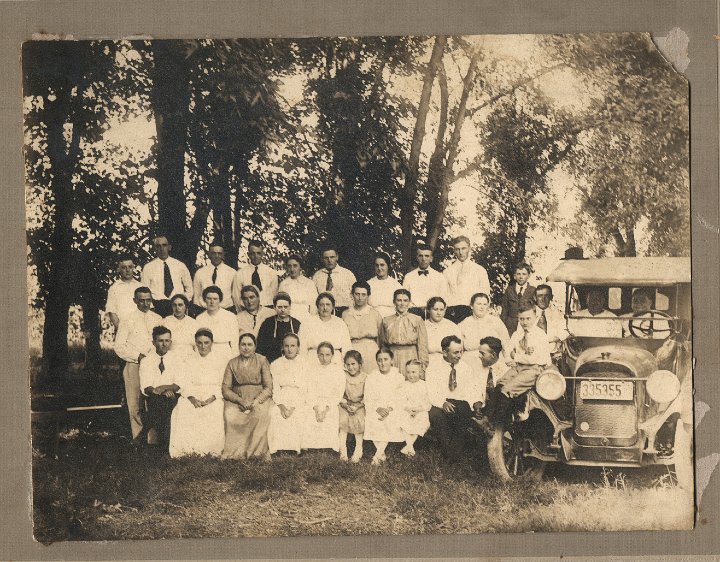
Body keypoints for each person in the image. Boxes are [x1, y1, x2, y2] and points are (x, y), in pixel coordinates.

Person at [113, 286, 162, 441]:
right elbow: (119, 347)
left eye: (148, 300)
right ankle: (138, 438)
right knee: (135, 403)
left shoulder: (158, 319)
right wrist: (137, 356)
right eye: (141, 300)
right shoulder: (127, 320)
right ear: (135, 301)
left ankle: (153, 440)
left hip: (154, 365)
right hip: (134, 365)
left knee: (153, 400)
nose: (145, 304)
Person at [169, 329, 226, 458]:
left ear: (212, 343)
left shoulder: (220, 360)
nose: (203, 346)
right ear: (195, 343)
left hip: (213, 394)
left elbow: (223, 383)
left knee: (215, 409)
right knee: (183, 408)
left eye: (206, 342)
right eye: (199, 343)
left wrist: (211, 398)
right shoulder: (188, 360)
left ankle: (211, 450)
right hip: (192, 393)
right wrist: (191, 397)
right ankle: (187, 450)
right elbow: (184, 382)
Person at [426, 335, 483, 462]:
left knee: (462, 412)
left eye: (461, 351)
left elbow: (473, 389)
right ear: (445, 352)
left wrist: (477, 403)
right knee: (436, 416)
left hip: (459, 403)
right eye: (455, 352)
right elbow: (431, 390)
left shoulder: (466, 368)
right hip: (440, 402)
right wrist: (443, 403)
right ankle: (449, 454)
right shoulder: (433, 368)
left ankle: (453, 454)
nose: (459, 355)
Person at [221, 333, 274, 460]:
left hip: (259, 398)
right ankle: (235, 454)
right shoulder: (232, 363)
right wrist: (239, 400)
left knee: (261, 414)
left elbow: (268, 387)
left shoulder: (262, 360)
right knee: (230, 414)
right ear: (238, 346)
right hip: (237, 399)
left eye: (250, 344)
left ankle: (256, 454)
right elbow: (225, 389)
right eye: (243, 344)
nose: (246, 348)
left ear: (255, 346)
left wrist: (256, 401)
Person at [496, 303, 551, 399]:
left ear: (535, 317)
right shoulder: (517, 334)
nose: (524, 322)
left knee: (506, 389)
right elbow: (508, 350)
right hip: (519, 367)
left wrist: (515, 356)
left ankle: (504, 413)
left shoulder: (540, 335)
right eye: (521, 319)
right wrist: (510, 357)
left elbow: (532, 360)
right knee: (499, 384)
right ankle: (492, 413)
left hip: (534, 369)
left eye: (528, 318)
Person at [139, 326, 181, 450]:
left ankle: (145, 434)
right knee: (160, 403)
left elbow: (179, 382)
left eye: (167, 341)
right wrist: (157, 391)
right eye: (160, 341)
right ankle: (164, 445)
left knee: (164, 404)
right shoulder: (147, 360)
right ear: (153, 342)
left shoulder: (177, 359)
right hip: (155, 396)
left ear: (171, 342)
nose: (164, 344)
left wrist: (166, 388)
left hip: (173, 394)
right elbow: (146, 386)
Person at [267, 333, 308, 456]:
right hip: (282, 396)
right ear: (282, 348)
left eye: (293, 346)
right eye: (287, 346)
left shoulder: (305, 363)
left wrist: (294, 406)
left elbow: (305, 387)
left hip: (299, 396)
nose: (290, 349)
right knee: (275, 413)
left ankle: (295, 449)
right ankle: (278, 449)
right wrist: (281, 405)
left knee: (298, 414)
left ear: (298, 348)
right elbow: (275, 387)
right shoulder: (275, 364)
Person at [363, 347, 405, 465]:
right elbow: (368, 397)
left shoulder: (398, 377)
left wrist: (389, 409)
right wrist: (378, 408)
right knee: (373, 418)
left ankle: (378, 453)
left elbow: (399, 397)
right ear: (376, 362)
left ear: (392, 360)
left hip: (392, 408)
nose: (383, 363)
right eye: (379, 360)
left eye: (386, 359)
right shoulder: (371, 377)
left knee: (391, 418)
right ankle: (381, 453)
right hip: (376, 408)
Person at [302, 342, 346, 453]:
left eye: (327, 355)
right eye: (321, 355)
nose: (324, 358)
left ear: (332, 355)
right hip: (314, 402)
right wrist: (316, 408)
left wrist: (326, 409)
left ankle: (329, 448)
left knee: (331, 416)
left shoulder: (338, 371)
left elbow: (338, 393)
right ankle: (311, 447)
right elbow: (309, 390)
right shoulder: (311, 370)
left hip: (330, 403)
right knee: (309, 414)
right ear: (317, 355)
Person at [378, 288, 429, 376]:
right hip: (393, 356)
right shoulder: (386, 320)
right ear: (394, 302)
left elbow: (422, 346)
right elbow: (382, 344)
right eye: (399, 300)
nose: (402, 303)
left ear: (409, 302)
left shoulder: (417, 320)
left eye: (405, 300)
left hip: (411, 355)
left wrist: (422, 366)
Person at [141, 235, 193, 318]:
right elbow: (144, 290)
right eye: (158, 246)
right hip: (157, 306)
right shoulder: (148, 267)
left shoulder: (180, 265)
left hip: (176, 305)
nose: (162, 249)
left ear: (169, 247)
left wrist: (183, 303)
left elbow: (189, 288)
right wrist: (151, 307)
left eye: (164, 245)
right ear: (155, 248)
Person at [459, 293, 510, 375]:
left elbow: (506, 342)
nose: (482, 307)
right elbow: (460, 347)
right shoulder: (464, 324)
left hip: (494, 359)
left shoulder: (495, 321)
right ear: (471, 306)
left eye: (485, 304)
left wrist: (507, 358)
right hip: (471, 359)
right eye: (478, 304)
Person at [443, 236, 491, 324]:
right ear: (454, 250)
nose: (460, 252)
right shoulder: (447, 272)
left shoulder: (479, 270)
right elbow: (444, 294)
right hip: (452, 313)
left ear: (469, 248)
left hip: (472, 313)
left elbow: (485, 294)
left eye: (463, 248)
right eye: (457, 249)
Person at [299, 292, 352, 364]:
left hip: (335, 361)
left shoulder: (340, 323)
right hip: (313, 361)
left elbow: (347, 347)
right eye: (322, 305)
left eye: (328, 304)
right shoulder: (308, 323)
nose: (325, 308)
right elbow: (302, 347)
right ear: (317, 306)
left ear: (333, 307)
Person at [342, 281, 382, 374]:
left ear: (368, 296)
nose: (360, 298)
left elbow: (381, 338)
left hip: (371, 352)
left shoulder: (375, 314)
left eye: (363, 294)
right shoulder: (346, 314)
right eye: (357, 294)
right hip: (352, 350)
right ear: (352, 295)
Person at [402, 243, 448, 318]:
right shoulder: (409, 277)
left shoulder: (439, 277)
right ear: (417, 257)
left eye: (427, 256)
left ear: (431, 258)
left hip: (433, 315)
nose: (423, 259)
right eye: (420, 256)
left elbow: (443, 298)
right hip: (414, 314)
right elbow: (404, 298)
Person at [195, 286, 239, 364]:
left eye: (215, 299)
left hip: (225, 353)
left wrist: (235, 361)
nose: (212, 302)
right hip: (206, 353)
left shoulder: (230, 316)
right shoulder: (199, 318)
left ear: (220, 300)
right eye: (209, 298)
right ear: (205, 300)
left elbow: (235, 342)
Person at [397, 360, 432, 457]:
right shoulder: (404, 385)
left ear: (420, 372)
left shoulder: (424, 385)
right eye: (408, 372)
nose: (411, 375)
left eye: (414, 372)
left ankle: (408, 446)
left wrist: (418, 410)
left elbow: (428, 401)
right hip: (407, 410)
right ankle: (410, 447)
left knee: (422, 420)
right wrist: (408, 409)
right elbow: (401, 399)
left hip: (420, 410)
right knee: (403, 419)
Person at [231, 240, 280, 309]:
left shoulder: (271, 273)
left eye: (258, 253)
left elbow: (274, 295)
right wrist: (243, 312)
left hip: (267, 310)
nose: (256, 256)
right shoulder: (240, 274)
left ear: (262, 254)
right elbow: (236, 296)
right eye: (253, 253)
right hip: (247, 310)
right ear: (248, 254)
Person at [256, 292, 301, 363]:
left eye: (285, 307)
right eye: (279, 307)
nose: (283, 310)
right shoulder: (267, 323)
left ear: (290, 307)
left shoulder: (296, 324)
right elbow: (260, 347)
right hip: (270, 361)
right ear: (274, 307)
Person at [311, 244, 357, 315]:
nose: (329, 260)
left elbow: (355, 295)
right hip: (324, 312)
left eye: (332, 257)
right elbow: (314, 298)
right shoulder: (317, 276)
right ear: (322, 259)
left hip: (344, 311)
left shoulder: (347, 274)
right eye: (326, 258)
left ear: (337, 257)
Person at [338, 350, 367, 463]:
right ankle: (343, 451)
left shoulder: (365, 378)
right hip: (346, 404)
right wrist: (345, 405)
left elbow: (367, 396)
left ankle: (358, 449)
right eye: (348, 364)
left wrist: (358, 406)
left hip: (359, 406)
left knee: (358, 420)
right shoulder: (344, 376)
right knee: (342, 420)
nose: (351, 367)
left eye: (353, 364)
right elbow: (340, 393)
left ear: (360, 364)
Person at [193, 242, 237, 313]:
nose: (217, 256)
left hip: (225, 311)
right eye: (214, 253)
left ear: (223, 255)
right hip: (204, 311)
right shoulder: (200, 272)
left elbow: (235, 295)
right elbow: (196, 296)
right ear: (209, 254)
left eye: (219, 253)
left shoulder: (232, 272)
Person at [105, 254, 141, 331]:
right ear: (119, 269)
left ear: (133, 268)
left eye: (130, 267)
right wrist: (120, 329)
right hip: (122, 328)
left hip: (140, 328)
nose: (127, 270)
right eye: (124, 267)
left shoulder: (140, 286)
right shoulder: (114, 288)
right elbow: (112, 311)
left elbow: (148, 308)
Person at [278, 254, 318, 324]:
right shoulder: (283, 284)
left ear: (300, 267)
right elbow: (280, 304)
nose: (292, 269)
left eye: (295, 266)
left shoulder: (309, 283)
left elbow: (314, 305)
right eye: (289, 266)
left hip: (305, 318)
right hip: (288, 317)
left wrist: (312, 321)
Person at [499, 261, 536, 335]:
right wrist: (503, 327)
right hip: (511, 327)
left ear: (528, 276)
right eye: (518, 274)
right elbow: (504, 310)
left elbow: (536, 311)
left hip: (526, 326)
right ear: (514, 276)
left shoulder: (533, 290)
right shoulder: (509, 290)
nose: (521, 277)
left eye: (524, 274)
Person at [534, 284, 570, 358]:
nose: (543, 299)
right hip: (532, 355)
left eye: (546, 296)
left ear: (551, 297)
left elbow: (566, 331)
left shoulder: (558, 314)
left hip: (554, 355)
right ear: (535, 298)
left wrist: (553, 339)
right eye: (540, 296)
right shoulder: (528, 315)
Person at [424, 296, 463, 363]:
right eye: (435, 309)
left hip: (447, 362)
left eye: (441, 310)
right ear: (428, 310)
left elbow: (459, 348)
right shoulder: (422, 326)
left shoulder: (451, 326)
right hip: (427, 362)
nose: (439, 313)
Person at [367, 252, 402, 318]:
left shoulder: (396, 285)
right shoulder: (368, 284)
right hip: (372, 319)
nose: (379, 268)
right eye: (377, 265)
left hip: (392, 320)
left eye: (382, 265)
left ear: (388, 266)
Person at [162, 294, 199, 359]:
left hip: (189, 355)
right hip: (171, 355)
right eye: (174, 305)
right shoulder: (165, 321)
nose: (177, 308)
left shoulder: (193, 322)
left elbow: (197, 345)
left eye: (180, 305)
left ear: (185, 306)